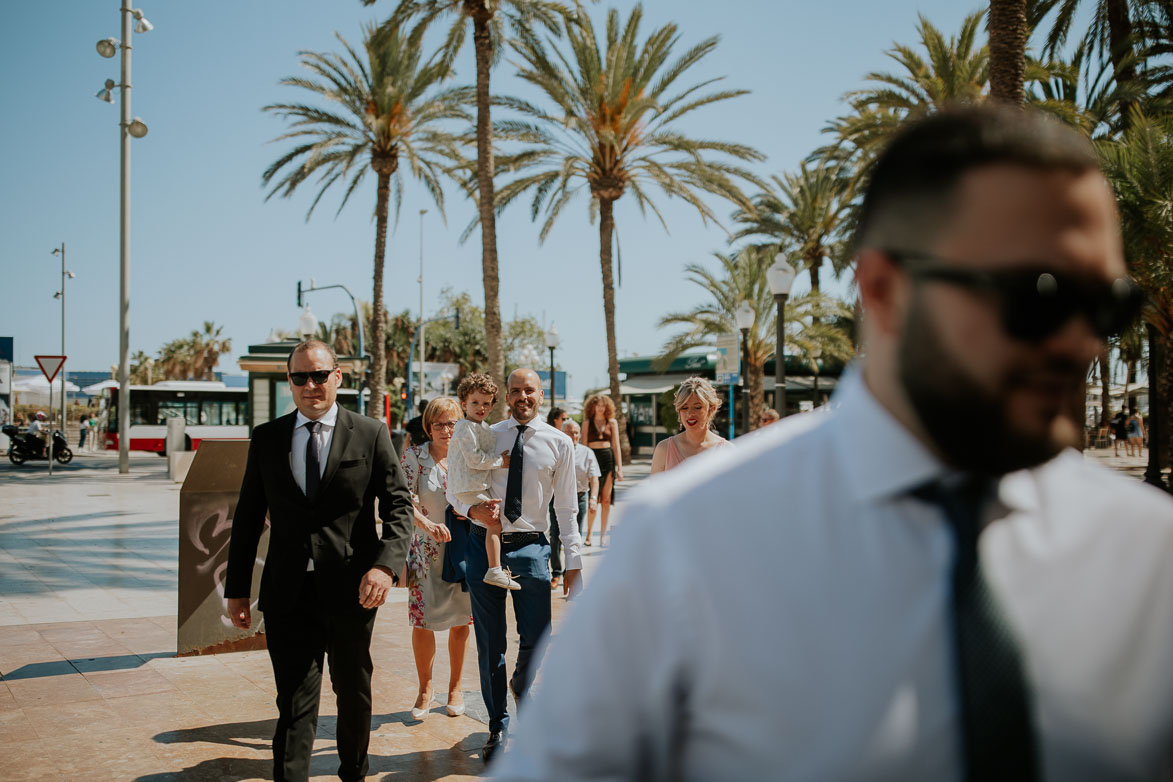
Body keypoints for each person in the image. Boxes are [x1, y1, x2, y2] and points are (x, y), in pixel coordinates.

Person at [493, 105, 1173, 780]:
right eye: (1041, 294)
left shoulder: (1149, 558)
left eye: (1107, 304)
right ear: (883, 288)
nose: (1081, 341)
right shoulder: (686, 545)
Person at [225, 339, 414, 782]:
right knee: (293, 702)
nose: (311, 385)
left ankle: (354, 772)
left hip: (353, 592)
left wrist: (385, 567)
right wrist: (237, 589)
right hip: (288, 593)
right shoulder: (267, 438)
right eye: (300, 377)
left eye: (319, 375)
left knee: (353, 693)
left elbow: (399, 506)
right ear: (289, 381)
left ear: (338, 377)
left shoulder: (370, 433)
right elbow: (248, 517)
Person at [446, 368, 583, 764]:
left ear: (541, 394)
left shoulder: (559, 442)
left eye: (530, 390)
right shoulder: (487, 433)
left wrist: (572, 560)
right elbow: (457, 484)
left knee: (538, 637)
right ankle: (498, 726)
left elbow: (566, 508)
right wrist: (470, 508)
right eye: (515, 390)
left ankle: (521, 685)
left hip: (533, 546)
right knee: (491, 643)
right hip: (483, 544)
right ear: (506, 395)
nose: (522, 396)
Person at [400, 397, 474, 721]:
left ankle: (455, 687)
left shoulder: (468, 457)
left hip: (462, 552)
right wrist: (427, 524)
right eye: (439, 424)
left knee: (461, 621)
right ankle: (425, 689)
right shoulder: (414, 458)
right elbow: (400, 500)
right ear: (428, 427)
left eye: (452, 423)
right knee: (423, 622)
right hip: (425, 554)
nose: (446, 430)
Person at [449, 373, 518, 591]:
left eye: (486, 404)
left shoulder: (483, 427)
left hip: (475, 485)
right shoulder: (464, 427)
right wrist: (501, 461)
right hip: (468, 485)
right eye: (475, 403)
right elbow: (475, 458)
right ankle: (494, 569)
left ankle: (494, 568)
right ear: (463, 404)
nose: (481, 408)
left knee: (493, 522)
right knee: (494, 521)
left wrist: (499, 456)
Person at [650, 377, 729, 474]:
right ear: (678, 410)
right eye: (684, 407)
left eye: (697, 407)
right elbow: (656, 488)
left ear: (711, 409)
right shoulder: (664, 449)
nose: (690, 413)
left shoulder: (727, 451)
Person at [581, 394, 622, 546]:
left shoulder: (612, 422)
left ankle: (603, 535)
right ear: (592, 407)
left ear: (607, 407)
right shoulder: (587, 423)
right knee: (594, 500)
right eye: (597, 405)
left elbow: (616, 446)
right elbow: (584, 446)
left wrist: (620, 468)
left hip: (608, 460)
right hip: (593, 459)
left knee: (605, 500)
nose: (600, 407)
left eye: (602, 405)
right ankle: (589, 534)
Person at [561, 419, 600, 553]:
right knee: (556, 534)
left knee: (576, 534)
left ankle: (572, 570)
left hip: (580, 497)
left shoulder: (587, 452)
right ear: (563, 433)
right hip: (560, 498)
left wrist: (593, 498)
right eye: (571, 433)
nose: (575, 436)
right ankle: (557, 571)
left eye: (577, 433)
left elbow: (594, 478)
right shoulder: (557, 450)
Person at [544, 407, 570, 588]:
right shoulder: (548, 438)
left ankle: (570, 572)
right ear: (555, 420)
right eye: (564, 418)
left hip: (570, 492)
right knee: (555, 534)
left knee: (569, 532)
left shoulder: (568, 438)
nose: (567, 420)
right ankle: (557, 572)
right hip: (552, 494)